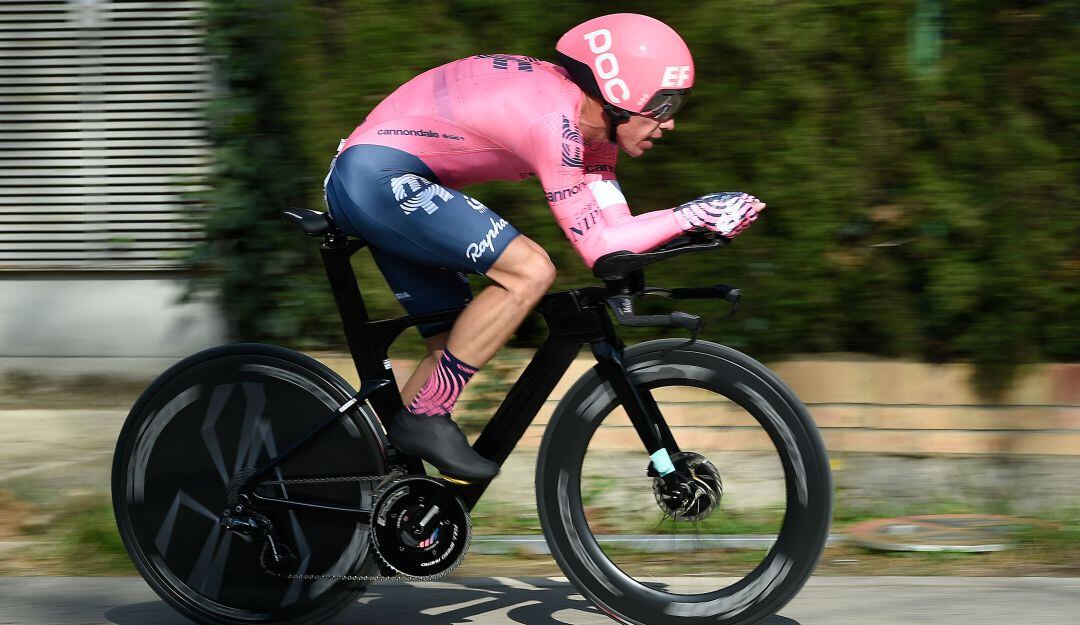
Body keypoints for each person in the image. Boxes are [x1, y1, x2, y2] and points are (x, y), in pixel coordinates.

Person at [323, 13, 765, 482]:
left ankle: (363, 489)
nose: (669, 122)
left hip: (387, 178)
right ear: (618, 95)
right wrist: (692, 214)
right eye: (662, 104)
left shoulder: (593, 136)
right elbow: (598, 247)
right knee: (529, 271)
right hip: (373, 178)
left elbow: (616, 236)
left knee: (458, 343)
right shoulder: (557, 123)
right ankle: (426, 418)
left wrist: (693, 227)